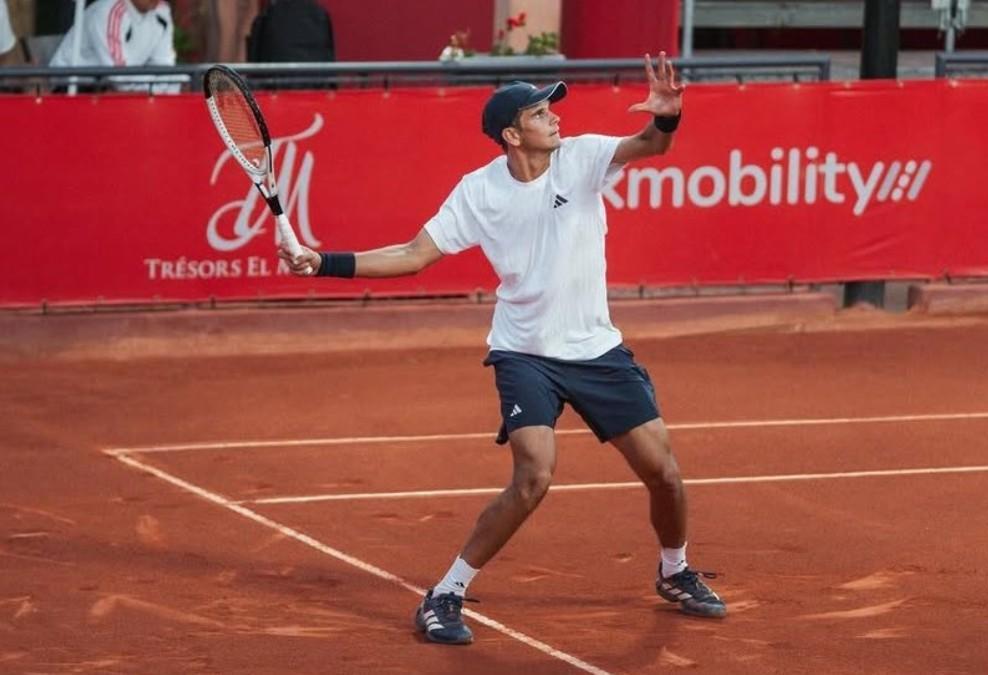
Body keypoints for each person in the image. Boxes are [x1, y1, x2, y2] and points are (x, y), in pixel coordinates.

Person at [279, 52, 726, 645]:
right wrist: (322, 262)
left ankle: (674, 570)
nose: (555, 119)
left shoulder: (583, 157)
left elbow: (652, 145)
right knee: (533, 476)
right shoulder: (478, 192)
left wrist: (668, 117)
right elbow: (415, 255)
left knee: (664, 474)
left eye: (552, 109)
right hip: (524, 353)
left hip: (596, 348)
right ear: (512, 134)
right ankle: (446, 593)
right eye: (541, 113)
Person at [49, 0, 180, 93]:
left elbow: (166, 67)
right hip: (75, 90)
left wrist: (156, 91)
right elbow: (119, 75)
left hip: (119, 92)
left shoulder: (162, 11)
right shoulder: (108, 10)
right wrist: (154, 88)